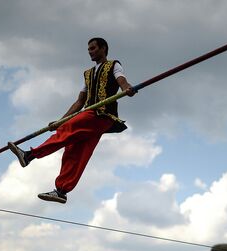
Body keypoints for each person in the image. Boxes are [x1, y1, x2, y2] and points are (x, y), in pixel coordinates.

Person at [7, 37, 136, 204]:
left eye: (93, 48)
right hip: (90, 115)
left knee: (68, 128)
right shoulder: (88, 74)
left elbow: (122, 81)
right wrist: (60, 121)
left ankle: (30, 155)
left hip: (101, 115)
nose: (90, 51)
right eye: (88, 49)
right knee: (75, 152)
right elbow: (79, 101)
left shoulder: (114, 65)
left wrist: (127, 89)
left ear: (103, 48)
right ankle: (61, 190)